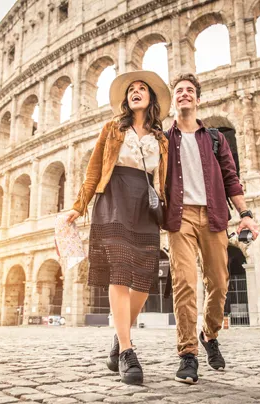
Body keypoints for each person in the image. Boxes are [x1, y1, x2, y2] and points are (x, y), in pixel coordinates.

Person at [66, 70, 170, 385]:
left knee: (143, 277)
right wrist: (78, 206)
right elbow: (94, 168)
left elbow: (166, 178)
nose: (136, 92)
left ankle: (118, 336)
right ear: (126, 100)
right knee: (120, 271)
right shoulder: (112, 129)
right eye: (131, 90)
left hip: (146, 202)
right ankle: (127, 349)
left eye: (142, 89)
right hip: (113, 197)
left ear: (151, 98)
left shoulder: (162, 138)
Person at [163, 73, 259, 384]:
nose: (184, 95)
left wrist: (245, 213)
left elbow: (231, 178)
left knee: (219, 282)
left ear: (198, 99)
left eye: (190, 91)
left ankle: (209, 335)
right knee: (185, 283)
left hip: (216, 215)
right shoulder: (164, 140)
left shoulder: (216, 138)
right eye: (179, 91)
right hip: (180, 218)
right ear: (173, 100)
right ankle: (188, 354)